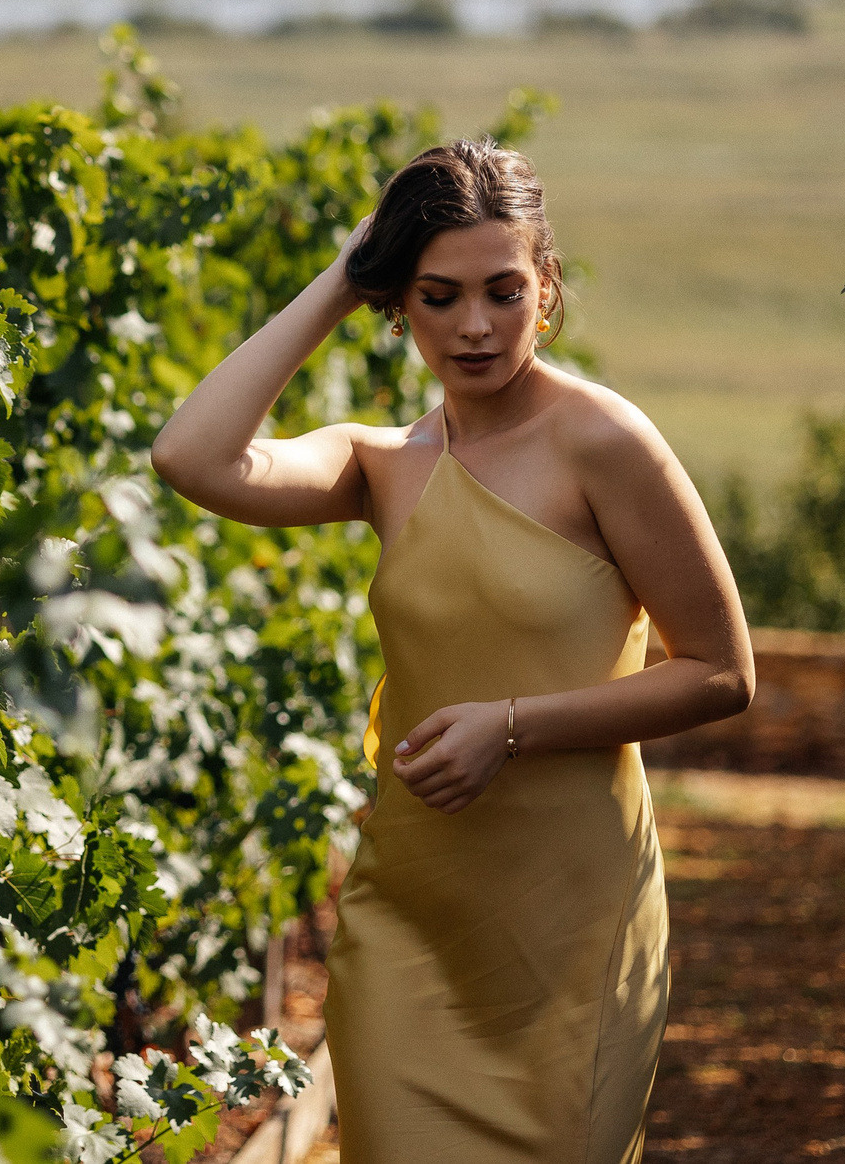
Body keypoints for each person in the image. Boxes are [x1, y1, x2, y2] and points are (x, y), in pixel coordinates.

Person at [149, 138, 753, 1164]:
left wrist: (511, 727)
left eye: (503, 289)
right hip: (410, 918)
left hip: (569, 915)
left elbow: (722, 671)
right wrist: (338, 281)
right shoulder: (382, 463)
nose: (474, 325)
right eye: (436, 295)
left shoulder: (606, 441)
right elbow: (191, 454)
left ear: (545, 288)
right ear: (397, 303)